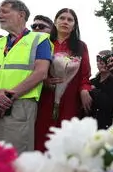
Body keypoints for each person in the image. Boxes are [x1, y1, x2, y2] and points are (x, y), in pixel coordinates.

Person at [0, 0, 52, 152]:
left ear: (21, 15)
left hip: (19, 105)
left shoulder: (39, 40)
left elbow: (41, 72)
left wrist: (5, 98)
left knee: (11, 161)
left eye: (4, 11)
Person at [34, 8, 91, 151]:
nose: (65, 22)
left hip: (70, 98)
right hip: (45, 96)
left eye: (70, 19)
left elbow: (85, 74)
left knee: (66, 137)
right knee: (42, 134)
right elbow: (33, 69)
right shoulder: (44, 43)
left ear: (74, 25)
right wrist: (44, 80)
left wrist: (85, 90)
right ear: (55, 22)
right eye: (62, 18)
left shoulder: (80, 46)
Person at [89, 50, 113, 129]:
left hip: (106, 126)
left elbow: (108, 103)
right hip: (90, 125)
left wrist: (93, 91)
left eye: (105, 59)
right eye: (98, 59)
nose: (101, 62)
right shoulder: (91, 82)